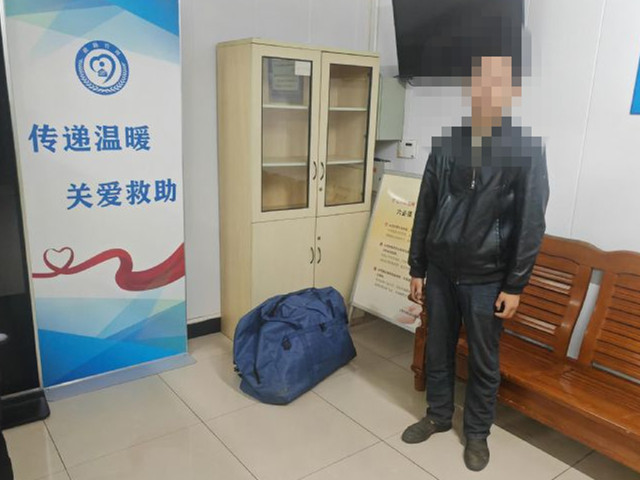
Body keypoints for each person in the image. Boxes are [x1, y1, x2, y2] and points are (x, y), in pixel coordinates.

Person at [403, 55, 550, 472]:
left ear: (510, 92)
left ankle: (477, 433)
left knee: (484, 359)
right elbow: (426, 207)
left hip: (488, 278)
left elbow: (531, 222)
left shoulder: (525, 150)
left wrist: (515, 285)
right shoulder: (448, 144)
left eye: (496, 85)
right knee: (438, 347)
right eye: (479, 83)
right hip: (441, 271)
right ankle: (437, 415)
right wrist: (417, 267)